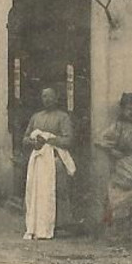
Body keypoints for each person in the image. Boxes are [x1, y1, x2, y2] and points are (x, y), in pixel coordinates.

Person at [96, 91, 132, 243]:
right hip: (124, 164)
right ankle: (122, 231)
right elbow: (100, 140)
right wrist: (113, 150)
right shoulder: (118, 127)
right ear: (123, 110)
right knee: (123, 190)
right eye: (129, 109)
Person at [22, 87, 77, 240]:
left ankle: (58, 224)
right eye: (44, 96)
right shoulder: (36, 117)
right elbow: (25, 138)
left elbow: (68, 140)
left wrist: (49, 139)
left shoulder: (63, 117)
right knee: (35, 191)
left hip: (55, 158)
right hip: (39, 159)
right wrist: (34, 142)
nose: (47, 99)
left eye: (50, 96)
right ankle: (36, 223)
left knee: (56, 190)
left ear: (56, 98)